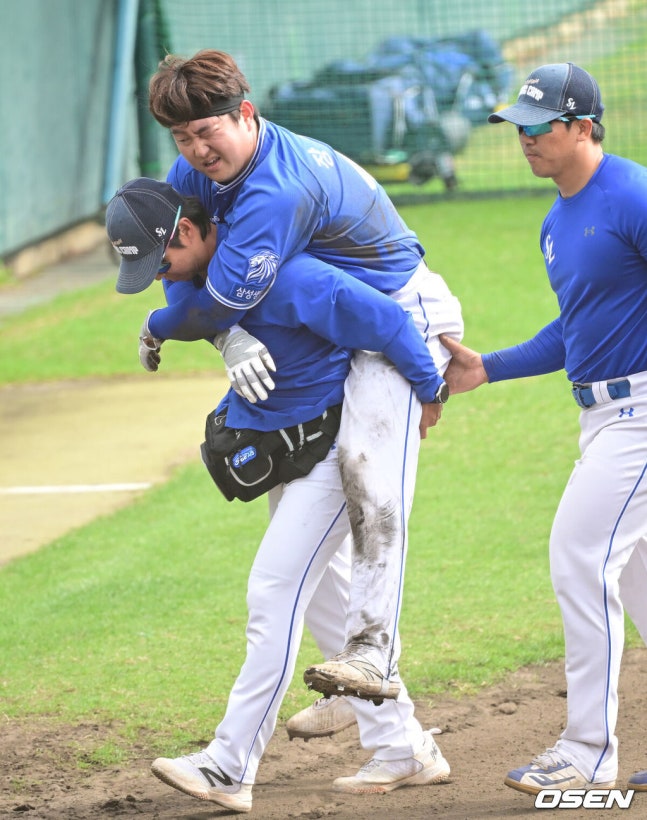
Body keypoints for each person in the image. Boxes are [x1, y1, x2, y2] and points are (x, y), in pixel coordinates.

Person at [122, 48, 464, 706]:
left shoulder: (275, 192)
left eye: (207, 131)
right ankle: (354, 700)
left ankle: (372, 651)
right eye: (180, 136)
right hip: (334, 311)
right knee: (301, 498)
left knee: (368, 466)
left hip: (397, 312)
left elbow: (216, 302)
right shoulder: (197, 170)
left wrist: (431, 386)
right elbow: (193, 277)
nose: (194, 150)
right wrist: (205, 326)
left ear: (245, 113)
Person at [105, 178, 452, 813]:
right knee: (324, 596)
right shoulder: (201, 274)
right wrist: (171, 325)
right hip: (284, 452)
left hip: (323, 455)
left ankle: (229, 764)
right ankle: (402, 747)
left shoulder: (291, 279)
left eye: (160, 263)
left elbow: (387, 321)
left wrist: (431, 392)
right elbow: (189, 302)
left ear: (187, 232)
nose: (162, 277)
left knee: (273, 590)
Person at [440, 62, 647, 796]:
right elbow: (576, 326)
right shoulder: (556, 220)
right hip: (602, 418)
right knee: (635, 583)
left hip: (640, 418)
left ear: (583, 127)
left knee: (578, 558)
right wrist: (485, 368)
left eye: (538, 126)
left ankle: (586, 751)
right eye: (516, 127)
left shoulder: (632, 195)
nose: (523, 139)